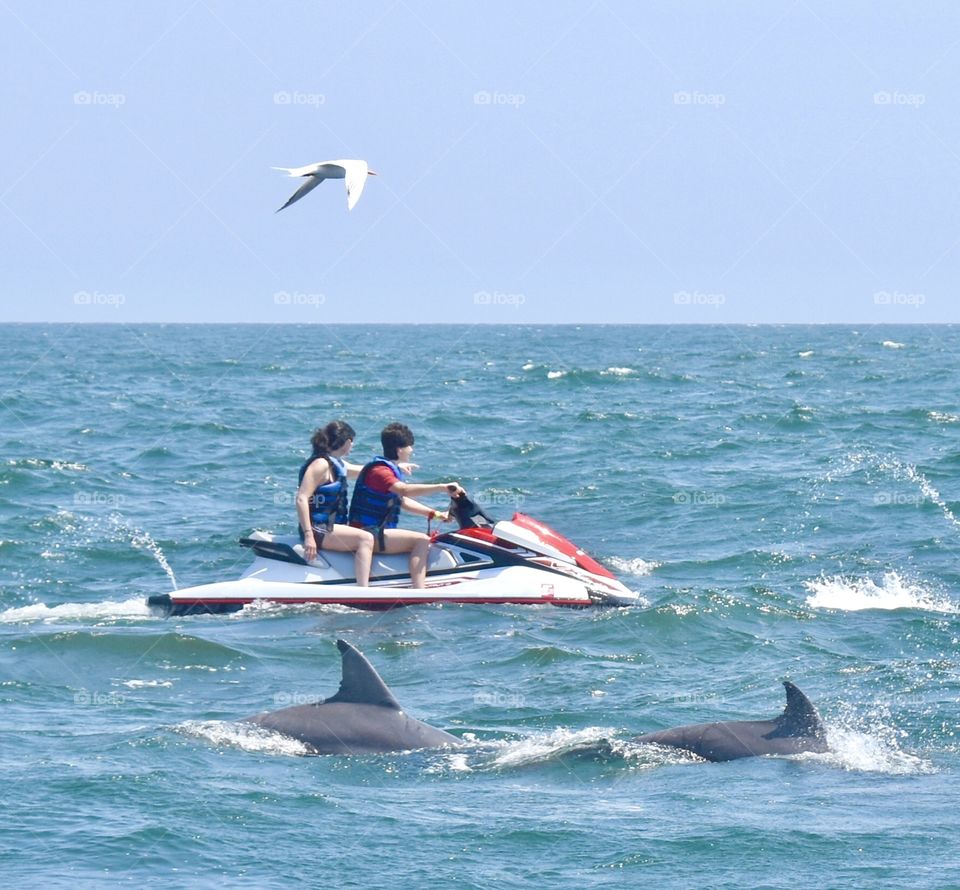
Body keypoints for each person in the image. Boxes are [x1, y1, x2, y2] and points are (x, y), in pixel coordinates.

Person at [349, 422, 464, 588]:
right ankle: (419, 591)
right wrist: (442, 487)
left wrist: (436, 514)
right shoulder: (380, 472)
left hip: (375, 531)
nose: (412, 450)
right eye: (410, 446)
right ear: (399, 449)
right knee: (421, 541)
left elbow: (401, 501)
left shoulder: (386, 468)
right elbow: (404, 490)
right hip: (368, 533)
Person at [296, 421, 376, 585]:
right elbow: (301, 498)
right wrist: (309, 536)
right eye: (352, 443)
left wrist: (394, 467)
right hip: (318, 528)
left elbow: (363, 470)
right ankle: (364, 591)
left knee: (369, 532)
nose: (352, 447)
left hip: (329, 526)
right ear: (347, 442)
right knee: (365, 539)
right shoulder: (320, 465)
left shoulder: (336, 463)